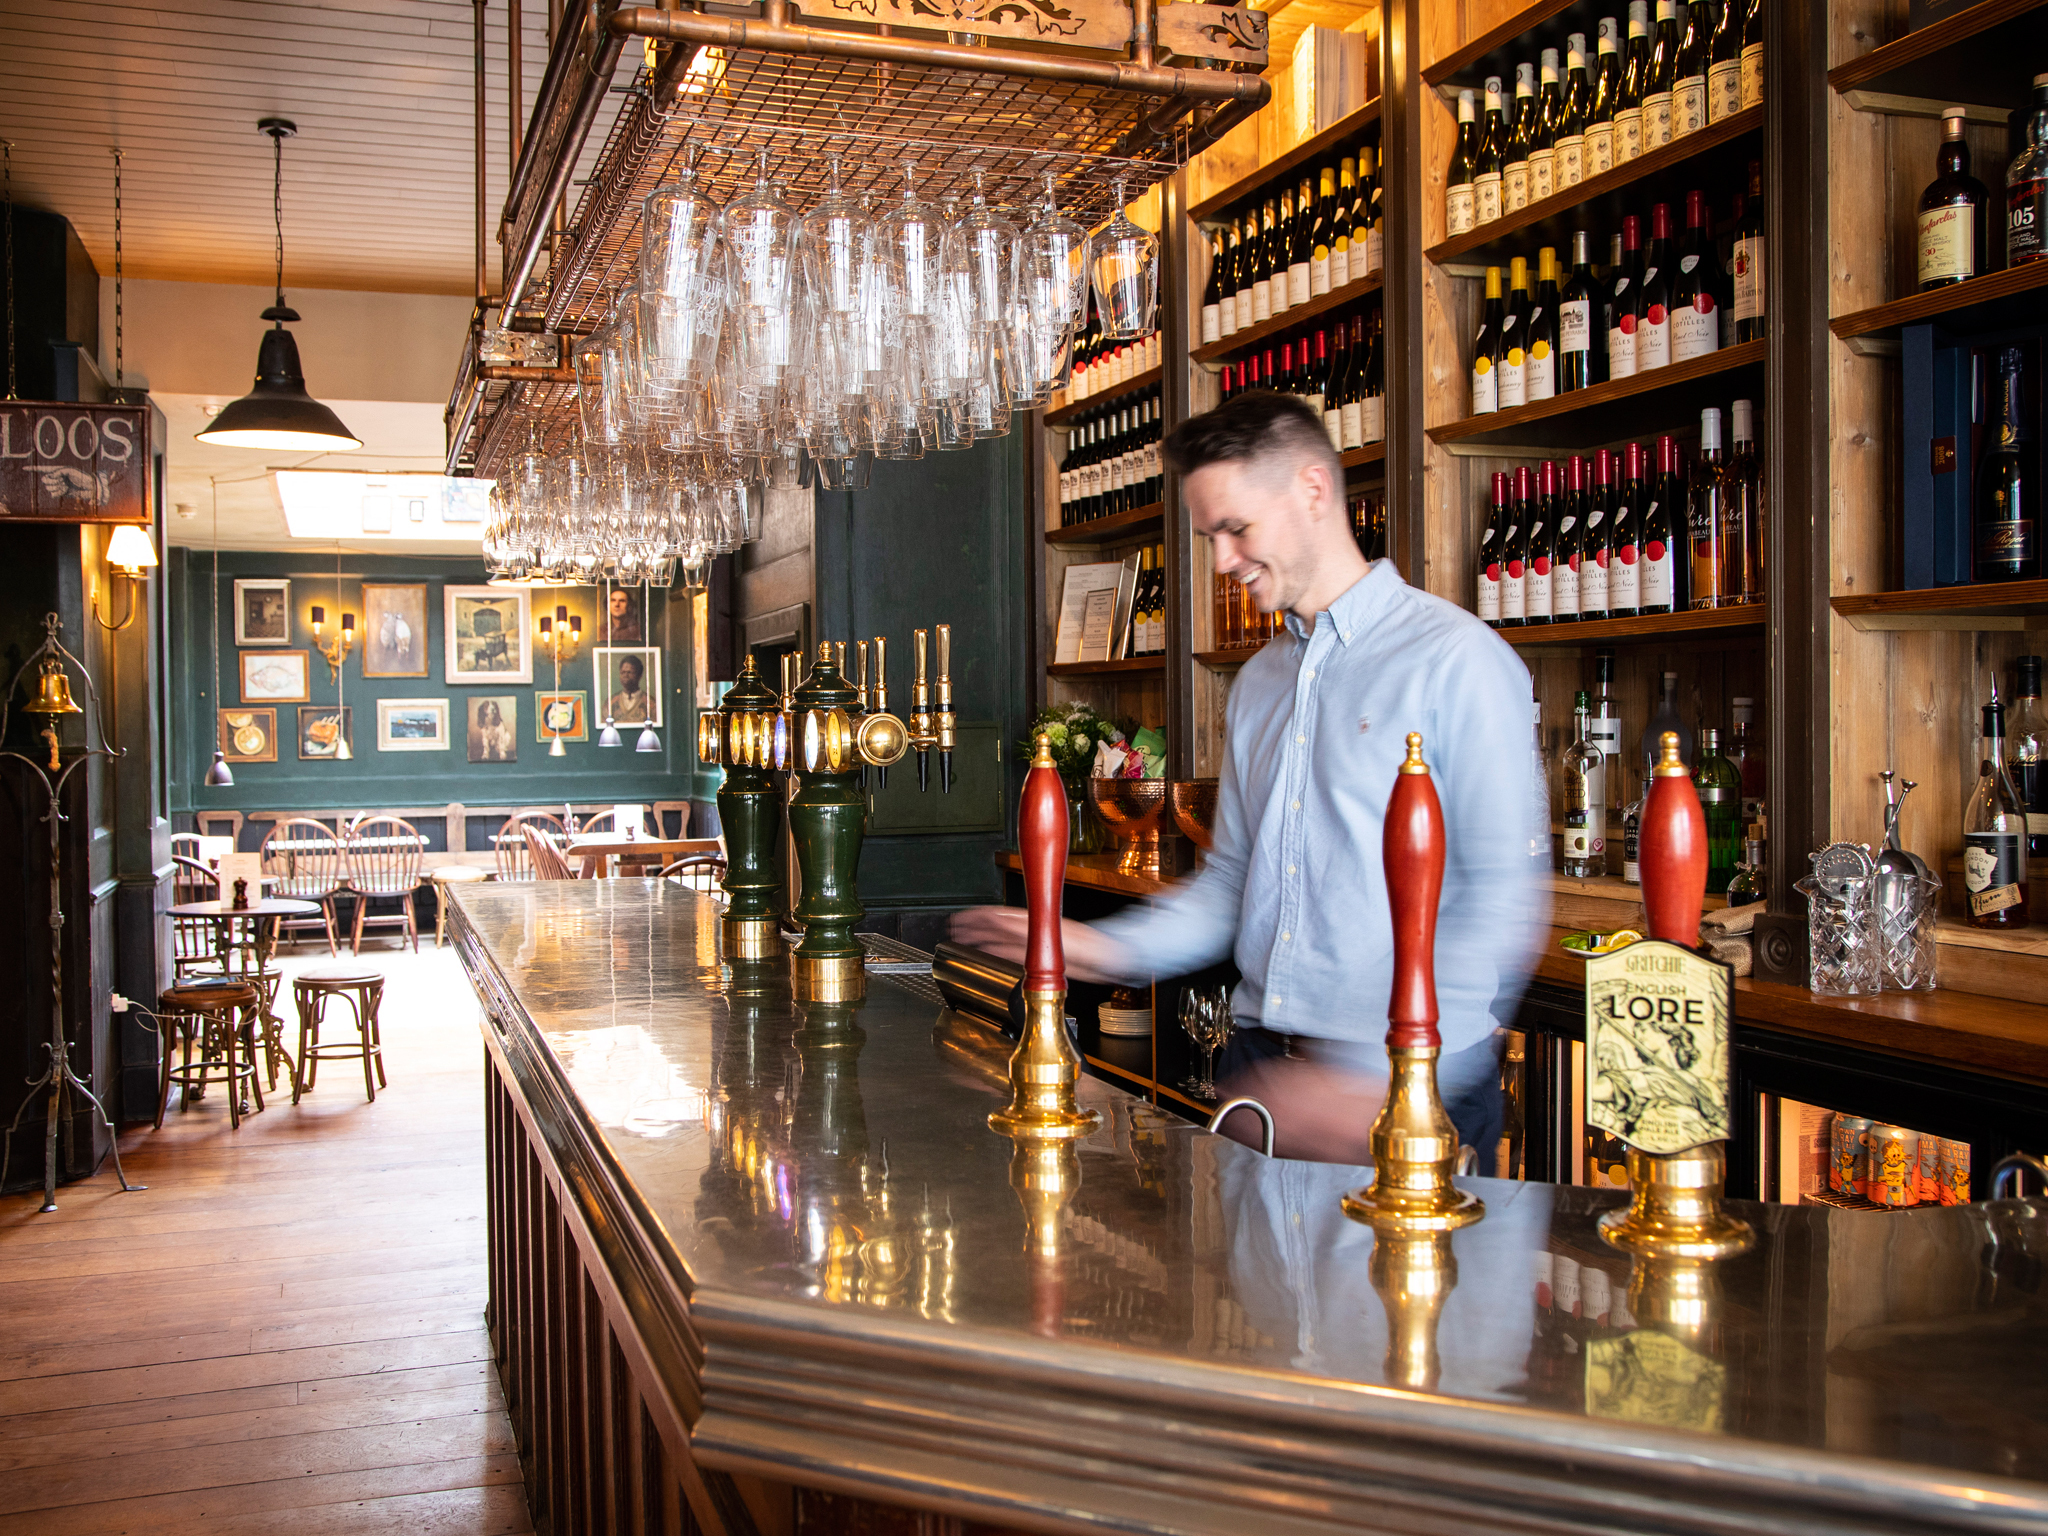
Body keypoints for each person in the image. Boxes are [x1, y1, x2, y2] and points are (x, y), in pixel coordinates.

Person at [952, 390, 1547, 1166]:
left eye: (1235, 529)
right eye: (1210, 536)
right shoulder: (1261, 681)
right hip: (1260, 1070)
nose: (1222, 561)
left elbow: (1502, 904)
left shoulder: (1458, 661)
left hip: (1409, 1090)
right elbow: (1233, 881)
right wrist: (1094, 950)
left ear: (1312, 489)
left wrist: (1376, 1082)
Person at [608, 654, 651, 723]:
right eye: (623, 672)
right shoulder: (611, 703)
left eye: (629, 672)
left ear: (639, 675)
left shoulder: (650, 703)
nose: (625, 676)